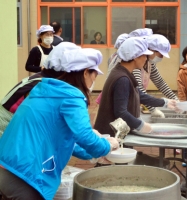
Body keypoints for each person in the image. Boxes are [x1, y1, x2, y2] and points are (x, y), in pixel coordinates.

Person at [0, 42, 119, 200]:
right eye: (94, 75)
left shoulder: (43, 89)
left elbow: (66, 139)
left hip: (7, 169)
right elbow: (84, 135)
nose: (93, 81)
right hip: (26, 177)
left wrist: (93, 155)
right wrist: (107, 146)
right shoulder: (72, 96)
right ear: (85, 73)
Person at [93, 37, 178, 137]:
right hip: (110, 135)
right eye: (144, 56)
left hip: (116, 132)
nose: (146, 59)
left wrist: (165, 102)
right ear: (135, 57)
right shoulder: (122, 78)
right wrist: (141, 125)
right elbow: (121, 112)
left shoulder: (123, 72)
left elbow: (139, 94)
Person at [133, 34, 178, 118]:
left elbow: (160, 82)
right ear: (151, 50)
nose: (161, 58)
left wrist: (176, 100)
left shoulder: (150, 63)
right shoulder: (136, 61)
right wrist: (153, 109)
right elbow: (139, 89)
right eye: (160, 55)